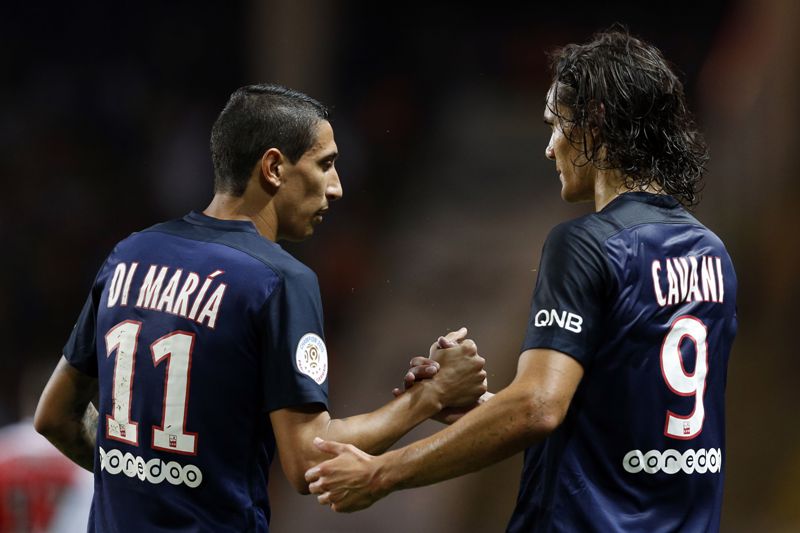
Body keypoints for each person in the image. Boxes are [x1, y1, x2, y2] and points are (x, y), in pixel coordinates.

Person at [305, 29, 738, 532]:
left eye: (557, 125)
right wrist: (481, 410)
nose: (550, 149)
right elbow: (627, 420)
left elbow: (539, 407)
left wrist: (381, 473)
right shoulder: (713, 254)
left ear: (595, 123)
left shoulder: (587, 244)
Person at [32, 84, 487, 532]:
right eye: (325, 164)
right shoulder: (278, 279)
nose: (336, 188)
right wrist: (431, 396)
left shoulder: (128, 255)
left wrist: (141, 473)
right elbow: (308, 457)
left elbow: (55, 416)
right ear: (273, 167)